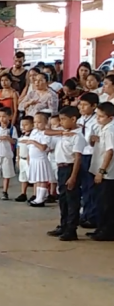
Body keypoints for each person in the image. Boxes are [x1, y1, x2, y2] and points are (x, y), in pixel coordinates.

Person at [45, 106, 86, 240]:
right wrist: (61, 133)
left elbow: (78, 157)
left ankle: (71, 229)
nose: (61, 122)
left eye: (63, 119)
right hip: (61, 168)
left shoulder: (77, 135)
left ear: (73, 119)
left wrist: (73, 176)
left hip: (70, 167)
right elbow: (47, 132)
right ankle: (63, 225)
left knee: (72, 200)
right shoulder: (64, 131)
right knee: (63, 200)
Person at [89, 101, 114, 240]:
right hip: (100, 168)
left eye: (101, 116)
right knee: (99, 201)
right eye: (97, 116)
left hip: (107, 173)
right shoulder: (103, 128)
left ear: (110, 118)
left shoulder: (110, 129)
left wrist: (101, 171)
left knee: (106, 204)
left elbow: (110, 151)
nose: (98, 119)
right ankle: (100, 228)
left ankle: (107, 231)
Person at [77, 92, 99, 229]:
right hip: (81, 154)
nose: (82, 107)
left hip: (91, 154)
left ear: (94, 106)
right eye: (81, 105)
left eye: (85, 105)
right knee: (83, 186)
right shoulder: (79, 120)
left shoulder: (96, 120)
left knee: (91, 186)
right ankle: (85, 213)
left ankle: (92, 216)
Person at [23, 112, 54, 207]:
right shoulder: (34, 131)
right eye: (35, 122)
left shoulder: (46, 133)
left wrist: (32, 141)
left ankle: (41, 198)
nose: (36, 124)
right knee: (37, 179)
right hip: (34, 159)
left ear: (46, 123)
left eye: (39, 122)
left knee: (42, 179)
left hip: (41, 159)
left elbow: (43, 148)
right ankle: (38, 197)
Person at [15, 115, 34, 202]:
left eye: (26, 124)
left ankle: (35, 194)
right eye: (22, 124)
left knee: (33, 177)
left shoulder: (33, 136)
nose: (23, 126)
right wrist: (18, 158)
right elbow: (18, 147)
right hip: (22, 159)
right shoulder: (21, 135)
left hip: (29, 159)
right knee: (23, 177)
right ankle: (23, 193)